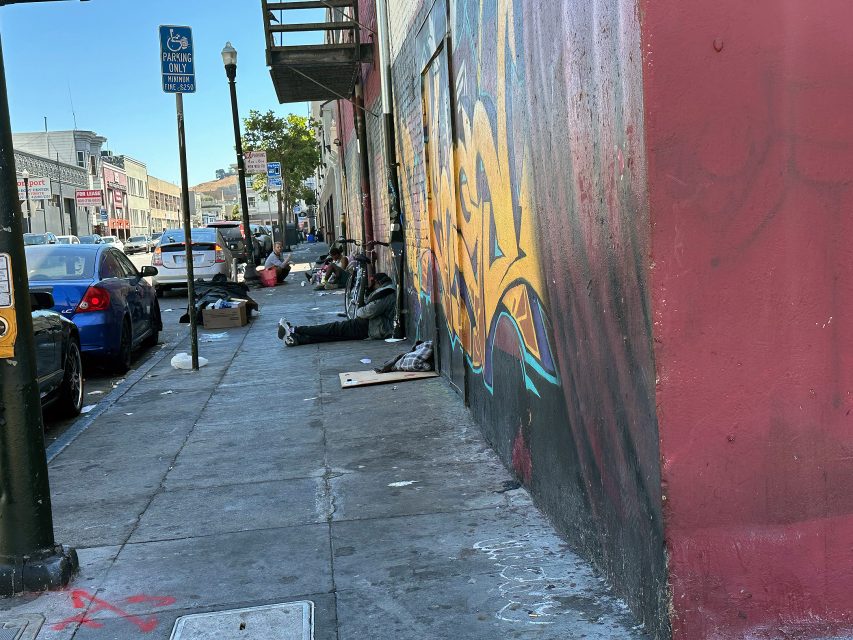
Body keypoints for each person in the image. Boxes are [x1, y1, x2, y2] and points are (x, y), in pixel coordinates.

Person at [278, 272, 396, 346]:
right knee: (332, 334)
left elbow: (369, 311)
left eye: (373, 284)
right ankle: (297, 338)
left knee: (332, 329)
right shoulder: (386, 292)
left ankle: (294, 330)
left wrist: (359, 311)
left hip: (369, 327)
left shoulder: (387, 293)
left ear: (378, 283)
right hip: (369, 326)